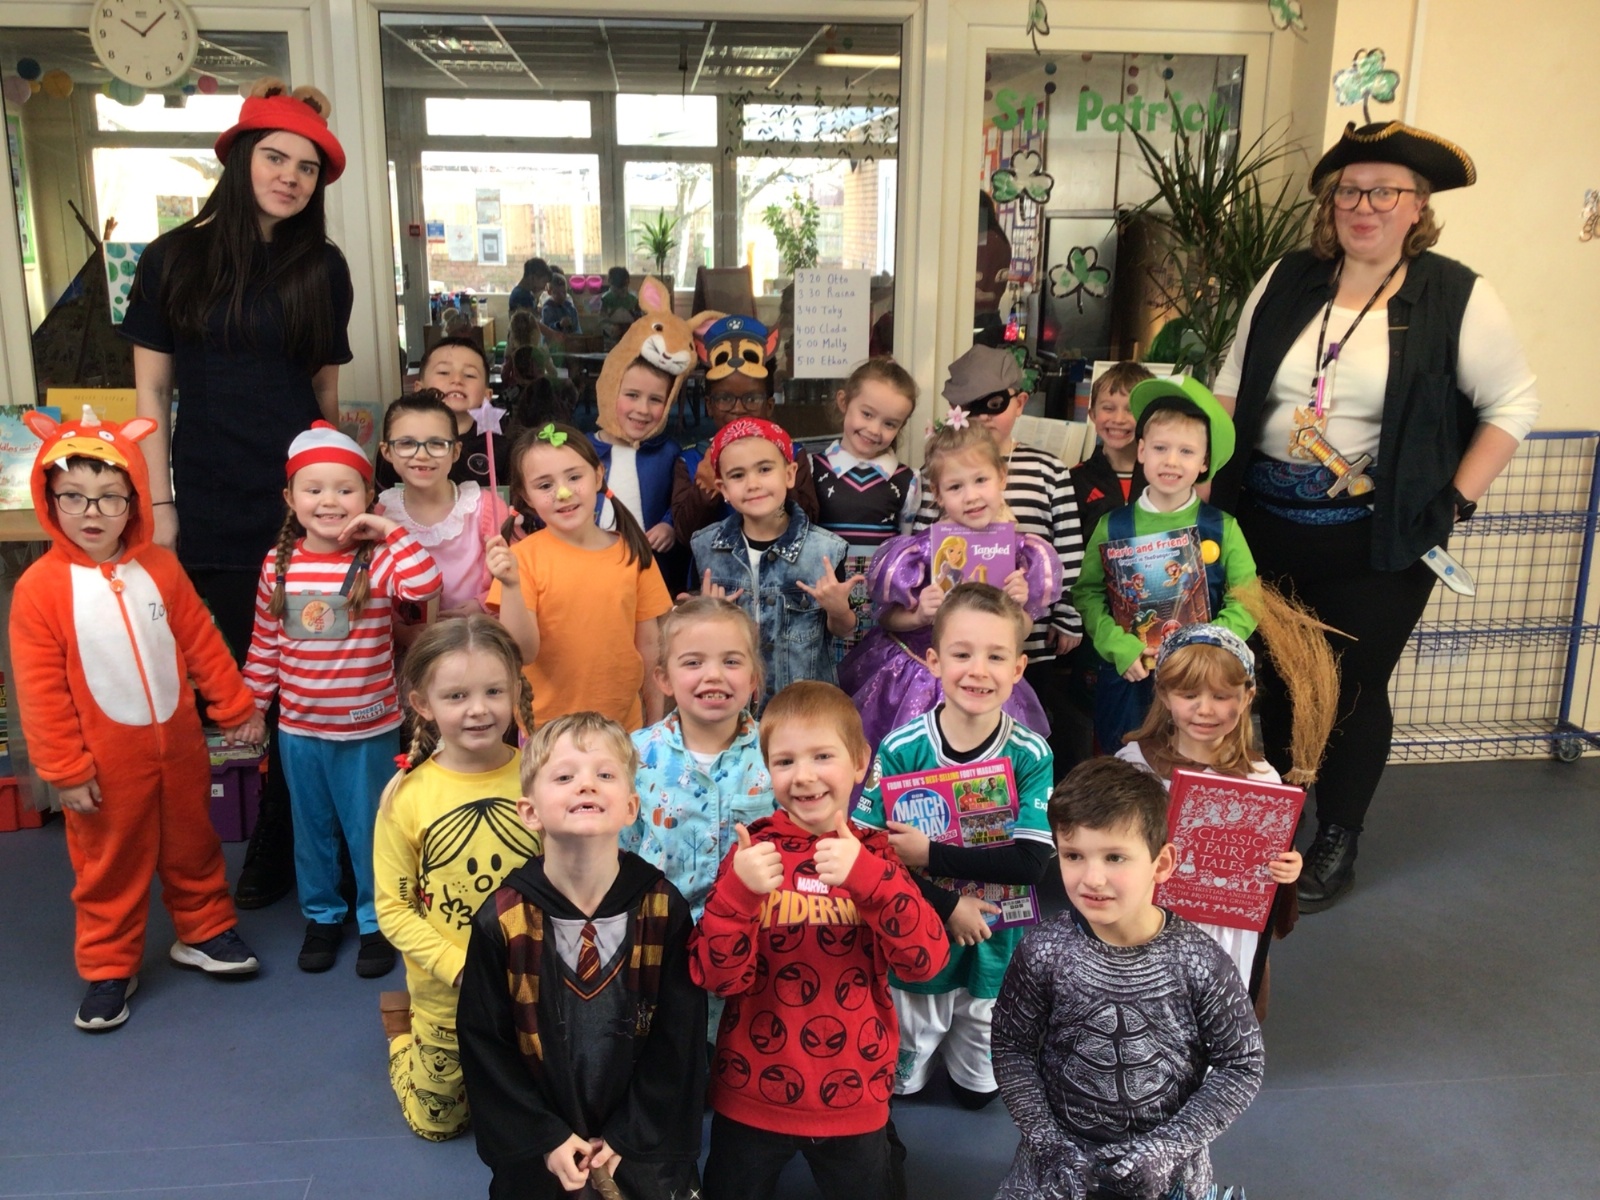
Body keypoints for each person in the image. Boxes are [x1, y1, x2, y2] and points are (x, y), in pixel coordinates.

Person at [1209, 121, 1539, 910]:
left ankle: (1338, 835)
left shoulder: (1456, 295)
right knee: (1271, 680)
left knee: (1353, 688)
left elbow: (1512, 404)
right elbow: (1230, 383)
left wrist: (1453, 500)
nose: (1365, 207)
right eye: (1351, 191)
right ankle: (1277, 821)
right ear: (1332, 204)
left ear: (1417, 206)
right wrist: (1199, 489)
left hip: (1376, 539)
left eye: (1385, 192)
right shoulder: (1288, 278)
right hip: (1261, 524)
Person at [120, 77, 353, 911]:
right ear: (240, 158)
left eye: (307, 168)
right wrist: (161, 503)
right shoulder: (171, 258)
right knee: (221, 683)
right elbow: (151, 395)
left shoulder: (321, 267)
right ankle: (196, 853)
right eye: (276, 158)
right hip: (208, 499)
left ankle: (281, 846)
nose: (290, 177)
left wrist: (341, 497)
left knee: (307, 680)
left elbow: (323, 397)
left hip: (298, 506)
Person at [9, 409, 267, 1031]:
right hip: (103, 763)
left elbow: (202, 643)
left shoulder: (160, 567)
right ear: (50, 499)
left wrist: (235, 707)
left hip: (179, 748)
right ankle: (108, 966)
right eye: (74, 496)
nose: (92, 512)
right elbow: (40, 691)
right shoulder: (39, 588)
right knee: (108, 863)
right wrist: (65, 770)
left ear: (133, 503)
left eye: (110, 497)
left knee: (193, 843)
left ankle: (204, 929)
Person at [689, 682, 948, 1200]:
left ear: (860, 762)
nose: (803, 775)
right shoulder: (752, 853)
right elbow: (716, 977)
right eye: (785, 761)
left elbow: (925, 962)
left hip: (854, 1093)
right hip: (751, 1091)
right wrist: (739, 894)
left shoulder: (878, 855)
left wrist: (870, 879)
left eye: (822, 756)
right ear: (768, 770)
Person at [457, 712, 708, 1200]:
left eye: (605, 774)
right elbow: (486, 1046)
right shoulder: (502, 919)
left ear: (631, 807)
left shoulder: (662, 908)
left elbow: (679, 1039)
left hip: (640, 1137)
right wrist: (545, 1136)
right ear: (529, 811)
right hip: (543, 1141)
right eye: (564, 776)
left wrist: (628, 1135)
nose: (586, 785)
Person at [991, 757, 1265, 1200]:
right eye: (1074, 855)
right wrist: (1049, 1143)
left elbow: (1242, 1064)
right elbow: (1011, 1047)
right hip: (1055, 1163)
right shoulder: (1043, 950)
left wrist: (1167, 1147)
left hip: (1169, 1168)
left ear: (1162, 863)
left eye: (1115, 857)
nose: (1092, 878)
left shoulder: (1201, 961)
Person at [243, 422, 443, 978]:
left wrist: (390, 532)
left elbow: (426, 586)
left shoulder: (378, 561)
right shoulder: (277, 564)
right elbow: (264, 645)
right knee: (312, 830)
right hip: (299, 731)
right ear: (290, 498)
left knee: (370, 829)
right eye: (314, 489)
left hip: (367, 731)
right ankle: (323, 916)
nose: (329, 501)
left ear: (368, 497)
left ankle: (378, 920)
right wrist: (251, 706)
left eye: (345, 489)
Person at [852, 583, 1054, 1110]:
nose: (978, 671)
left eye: (996, 656)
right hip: (917, 935)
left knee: (975, 1095)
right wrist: (947, 904)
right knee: (903, 1087)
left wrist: (929, 855)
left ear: (1019, 668)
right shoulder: (901, 747)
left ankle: (971, 1059)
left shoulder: (1031, 753)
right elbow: (867, 854)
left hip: (994, 940)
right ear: (934, 661)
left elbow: (1031, 864)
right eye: (962, 654)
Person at [373, 617, 541, 1141]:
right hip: (449, 995)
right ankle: (402, 1036)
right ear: (423, 704)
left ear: (515, 690)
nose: (478, 709)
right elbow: (394, 910)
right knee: (439, 1125)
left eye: (494, 691)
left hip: (536, 990)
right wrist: (460, 968)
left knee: (540, 1118)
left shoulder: (542, 778)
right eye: (456, 696)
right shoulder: (406, 797)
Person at [910, 346, 1083, 774]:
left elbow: (1068, 550)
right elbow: (921, 549)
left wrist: (1066, 616)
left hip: (1027, 642)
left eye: (994, 404)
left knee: (1017, 729)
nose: (984, 416)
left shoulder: (1047, 470)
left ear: (1020, 402)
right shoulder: (941, 475)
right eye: (971, 407)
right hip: (955, 647)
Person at [843, 419, 1061, 751]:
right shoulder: (918, 554)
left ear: (1001, 478)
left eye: (981, 480)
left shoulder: (1022, 555)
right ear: (938, 494)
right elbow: (886, 618)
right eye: (955, 487)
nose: (971, 496)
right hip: (915, 678)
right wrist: (918, 616)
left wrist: (1018, 607)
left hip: (983, 681)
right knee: (908, 760)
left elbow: (1022, 631)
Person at [1117, 625, 1302, 1012]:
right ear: (1164, 694)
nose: (1205, 710)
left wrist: (1288, 867)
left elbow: (1267, 859)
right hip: (1150, 922)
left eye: (1221, 696)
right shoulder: (1135, 766)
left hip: (1225, 932)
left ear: (1246, 696)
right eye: (1189, 695)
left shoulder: (1262, 778)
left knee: (1217, 1017)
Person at [1073, 375, 1258, 754]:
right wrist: (1119, 646)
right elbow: (1087, 594)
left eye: (1186, 452)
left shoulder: (1222, 528)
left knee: (1192, 765)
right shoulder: (1113, 525)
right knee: (1124, 768)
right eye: (1160, 448)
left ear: (1204, 462)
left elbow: (1249, 600)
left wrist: (1208, 644)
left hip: (1198, 681)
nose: (1171, 461)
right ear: (1141, 450)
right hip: (1130, 676)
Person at [486, 422, 672, 731]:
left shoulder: (633, 553)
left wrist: (654, 724)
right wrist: (511, 585)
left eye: (574, 477)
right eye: (544, 485)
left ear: (598, 475)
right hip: (548, 732)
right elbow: (522, 653)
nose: (563, 492)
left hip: (623, 729)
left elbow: (650, 647)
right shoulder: (520, 561)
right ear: (526, 497)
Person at [623, 597, 773, 924]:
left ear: (753, 679)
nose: (714, 675)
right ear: (664, 679)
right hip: (659, 934)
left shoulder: (776, 752)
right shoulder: (633, 756)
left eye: (731, 662)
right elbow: (618, 851)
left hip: (753, 932)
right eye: (693, 663)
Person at [691, 418, 857, 706]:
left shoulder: (826, 551)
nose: (753, 484)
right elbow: (696, 641)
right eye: (738, 475)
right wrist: (706, 616)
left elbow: (844, 629)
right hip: (732, 710)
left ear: (789, 474)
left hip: (802, 710)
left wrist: (838, 609)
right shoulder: (705, 548)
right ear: (723, 488)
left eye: (765, 469)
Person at [1061, 361, 1153, 765]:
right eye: (1108, 407)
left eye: (1131, 409)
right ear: (1091, 412)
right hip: (1096, 622)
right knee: (1097, 722)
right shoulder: (1075, 480)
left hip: (1154, 621)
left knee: (1152, 718)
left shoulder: (1165, 478)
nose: (1118, 419)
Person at [671, 314, 819, 547]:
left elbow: (809, 524)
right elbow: (683, 533)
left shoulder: (792, 455)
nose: (738, 409)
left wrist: (778, 474)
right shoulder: (691, 460)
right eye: (724, 399)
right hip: (712, 569)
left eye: (751, 399)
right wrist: (705, 488)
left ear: (769, 406)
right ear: (709, 405)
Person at [811, 358, 921, 651]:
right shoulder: (811, 469)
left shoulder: (907, 481)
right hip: (822, 603)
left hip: (879, 610)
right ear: (843, 402)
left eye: (889, 424)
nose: (874, 429)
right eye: (867, 414)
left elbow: (905, 549)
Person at [376, 391, 501, 646]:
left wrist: (484, 604)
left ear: (455, 451)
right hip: (409, 650)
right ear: (387, 451)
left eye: (436, 443)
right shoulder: (380, 515)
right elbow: (372, 586)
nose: (422, 455)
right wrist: (399, 630)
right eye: (407, 443)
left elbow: (517, 572)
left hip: (474, 641)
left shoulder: (484, 507)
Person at [375, 337, 510, 495]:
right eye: (443, 372)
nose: (457, 380)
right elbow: (383, 501)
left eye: (469, 375)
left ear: (487, 395)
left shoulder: (500, 447)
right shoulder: (400, 445)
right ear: (419, 388)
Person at [590, 355, 682, 555]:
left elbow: (679, 502)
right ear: (609, 392)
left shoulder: (669, 452)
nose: (643, 409)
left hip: (648, 561)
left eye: (655, 399)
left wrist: (669, 525)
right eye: (632, 395)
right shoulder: (582, 450)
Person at [598, 266, 643, 348]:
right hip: (610, 341)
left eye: (623, 290)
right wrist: (610, 328)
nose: (619, 293)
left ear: (627, 284)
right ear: (610, 283)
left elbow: (640, 320)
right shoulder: (605, 300)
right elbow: (601, 320)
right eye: (615, 290)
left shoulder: (633, 300)